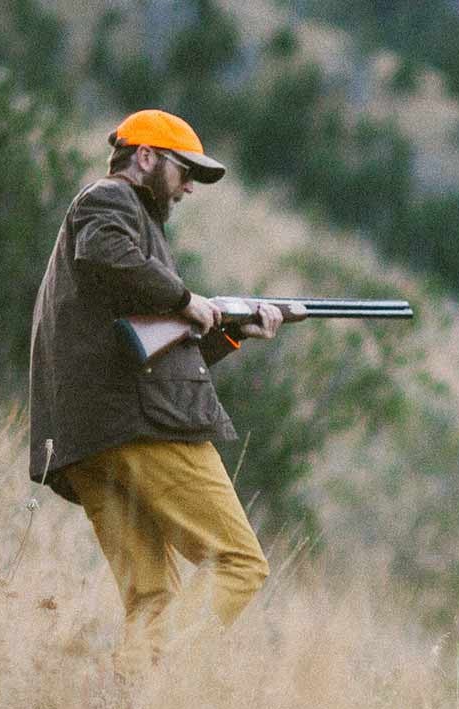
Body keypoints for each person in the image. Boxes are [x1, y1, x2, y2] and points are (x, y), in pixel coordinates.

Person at [28, 109, 283, 671]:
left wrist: (231, 329)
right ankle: (163, 682)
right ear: (145, 157)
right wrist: (187, 300)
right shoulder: (109, 200)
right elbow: (106, 253)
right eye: (182, 169)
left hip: (89, 439)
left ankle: (126, 705)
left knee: (153, 599)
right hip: (137, 426)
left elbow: (146, 349)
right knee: (240, 562)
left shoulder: (133, 234)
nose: (189, 185)